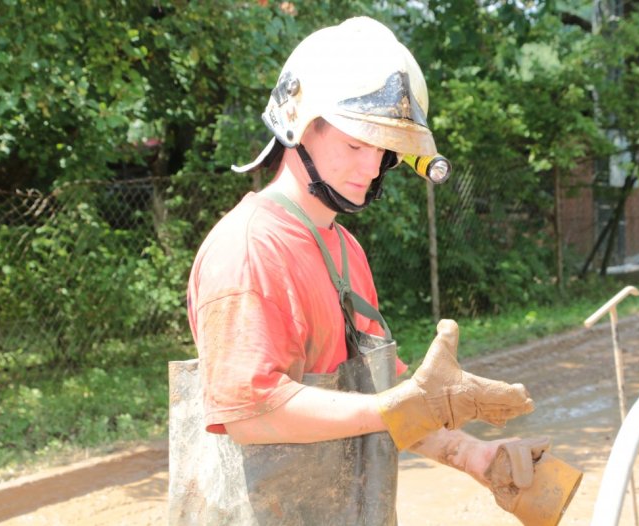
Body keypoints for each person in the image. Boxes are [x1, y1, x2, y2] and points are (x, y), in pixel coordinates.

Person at [176, 17, 568, 525]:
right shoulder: (250, 249)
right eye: (356, 145)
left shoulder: (345, 252)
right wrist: (398, 408)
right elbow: (251, 413)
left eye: (383, 150)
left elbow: (385, 400)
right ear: (297, 126)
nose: (370, 166)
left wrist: (473, 455)